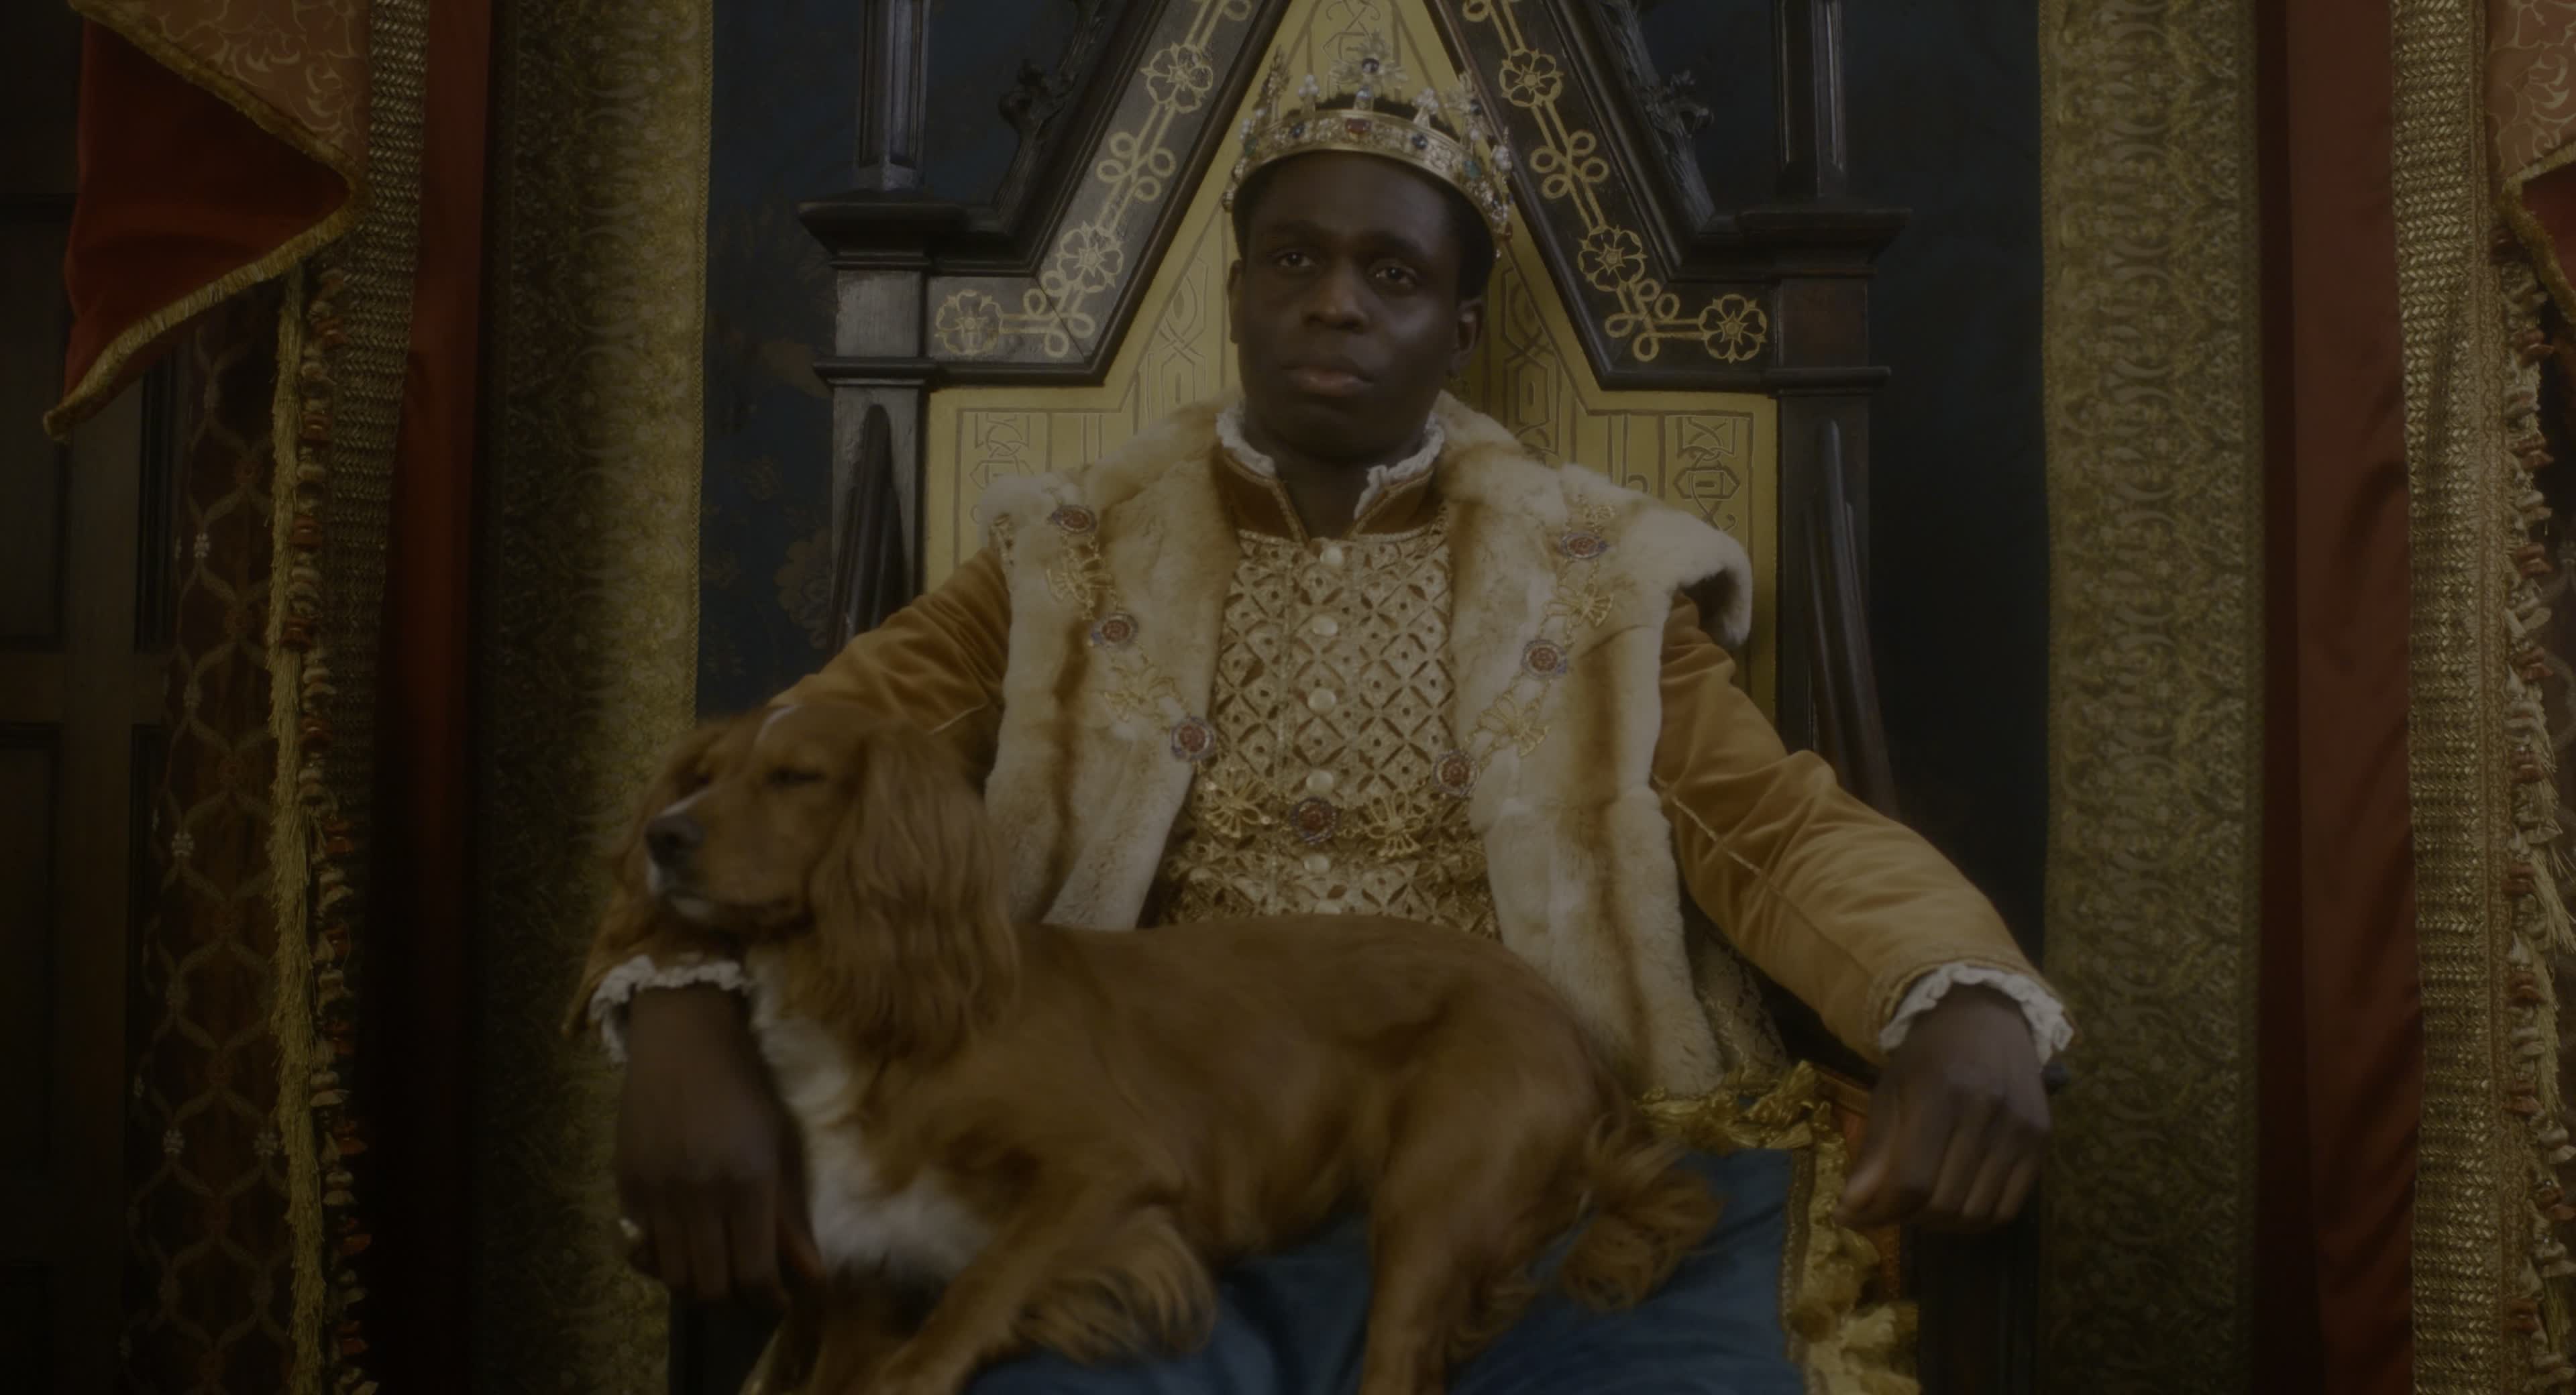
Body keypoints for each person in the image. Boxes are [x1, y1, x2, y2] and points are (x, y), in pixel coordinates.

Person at [591, 38, 2068, 1392]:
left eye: (1392, 273)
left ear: (1458, 325)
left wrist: (1958, 988)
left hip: (1519, 1150)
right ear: (1237, 293)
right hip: (1138, 1159)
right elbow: (793, 765)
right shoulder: (1062, 556)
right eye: (1294, 259)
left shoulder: (1595, 576)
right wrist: (678, 1004)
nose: (1336, 300)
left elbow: (1778, 829)